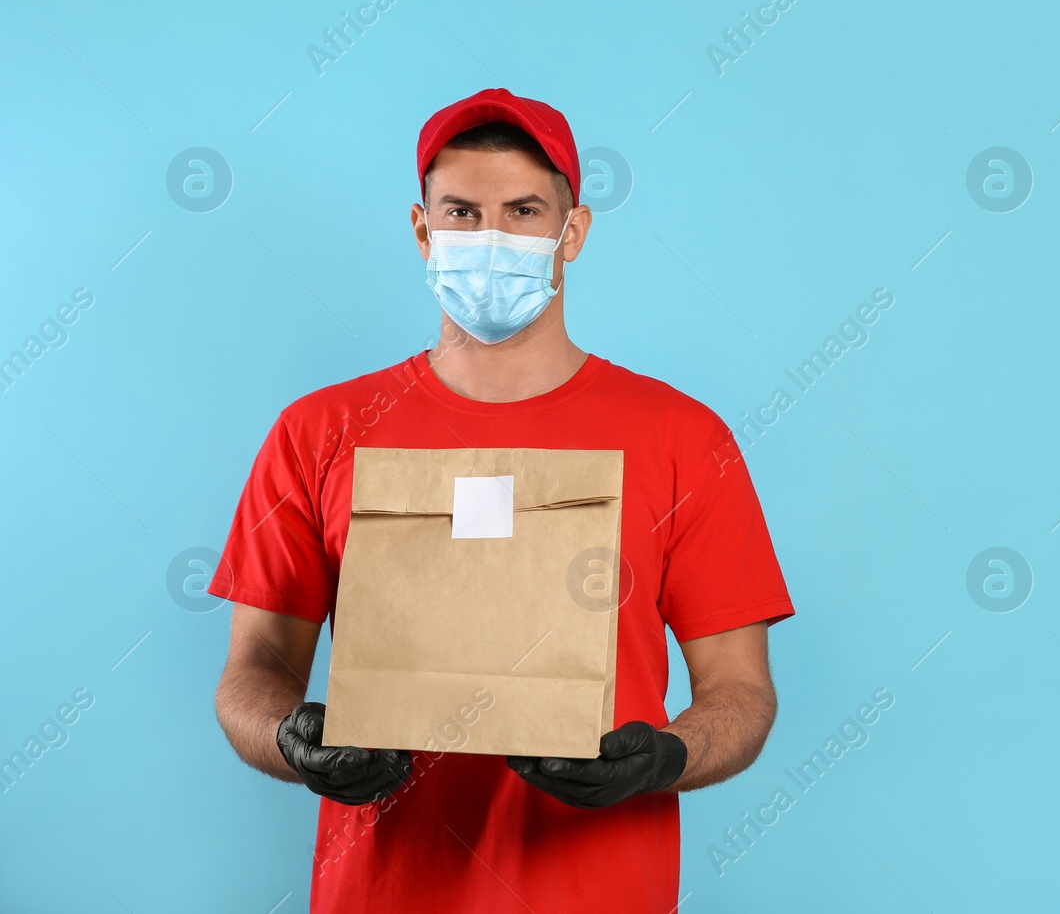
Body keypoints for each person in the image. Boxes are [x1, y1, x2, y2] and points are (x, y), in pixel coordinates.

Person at [208, 87, 794, 912]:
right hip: (383, 889)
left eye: (523, 210)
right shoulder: (320, 432)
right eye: (462, 212)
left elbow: (742, 690)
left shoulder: (683, 438)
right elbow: (252, 671)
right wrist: (291, 737)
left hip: (598, 889)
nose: (491, 238)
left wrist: (663, 757)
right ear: (423, 231)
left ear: (572, 232)